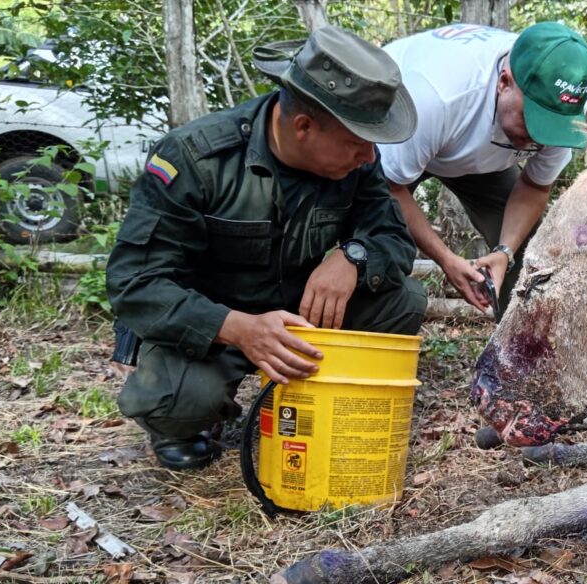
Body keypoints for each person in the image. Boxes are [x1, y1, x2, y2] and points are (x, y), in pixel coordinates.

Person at [106, 26, 426, 471]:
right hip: (214, 321)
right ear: (304, 127)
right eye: (357, 143)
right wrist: (238, 328)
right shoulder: (197, 159)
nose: (369, 157)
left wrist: (352, 257)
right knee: (174, 403)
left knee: (403, 299)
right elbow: (134, 284)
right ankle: (193, 417)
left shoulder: (356, 162)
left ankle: (321, 397)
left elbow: (392, 238)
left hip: (298, 313)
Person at [379, 22, 587, 316]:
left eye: (549, 128)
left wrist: (504, 252)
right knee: (381, 239)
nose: (538, 139)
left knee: (527, 251)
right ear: (504, 82)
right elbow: (390, 187)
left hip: (477, 154)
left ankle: (517, 349)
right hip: (400, 138)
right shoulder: (437, 94)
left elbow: (535, 186)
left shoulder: (562, 112)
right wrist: (446, 258)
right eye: (532, 121)